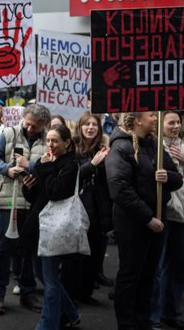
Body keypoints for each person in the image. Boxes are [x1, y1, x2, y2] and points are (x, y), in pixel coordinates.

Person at [106, 112, 182, 330]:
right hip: (132, 224)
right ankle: (127, 324)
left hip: (158, 220)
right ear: (138, 120)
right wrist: (147, 218)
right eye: (152, 115)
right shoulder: (121, 147)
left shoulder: (155, 145)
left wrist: (167, 177)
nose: (156, 118)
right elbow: (119, 188)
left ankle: (143, 320)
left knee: (149, 274)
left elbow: (177, 178)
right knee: (131, 275)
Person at [0, 104, 51, 315]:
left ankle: (27, 292)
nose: (31, 129)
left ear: (44, 126)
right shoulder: (9, 134)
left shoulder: (49, 138)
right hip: (8, 201)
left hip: (33, 203)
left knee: (29, 249)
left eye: (36, 127)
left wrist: (29, 166)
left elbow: (52, 166)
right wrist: (7, 169)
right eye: (29, 124)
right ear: (23, 118)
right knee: (4, 249)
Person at [25, 125, 81, 330]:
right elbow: (37, 196)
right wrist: (28, 186)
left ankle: (47, 325)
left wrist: (44, 169)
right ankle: (72, 313)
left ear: (67, 143)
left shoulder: (70, 165)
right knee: (41, 274)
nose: (50, 145)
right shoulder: (45, 162)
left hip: (55, 228)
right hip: (39, 225)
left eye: (55, 141)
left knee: (49, 281)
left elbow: (56, 192)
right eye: (48, 140)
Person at [61, 111, 112, 305]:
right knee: (75, 256)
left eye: (94, 124)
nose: (90, 127)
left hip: (99, 208)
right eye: (86, 124)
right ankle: (71, 295)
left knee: (95, 254)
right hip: (78, 209)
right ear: (80, 127)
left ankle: (85, 292)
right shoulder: (71, 149)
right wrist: (92, 164)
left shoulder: (105, 148)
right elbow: (71, 177)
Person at [150, 111, 184, 329]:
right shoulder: (155, 147)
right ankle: (154, 316)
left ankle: (171, 312)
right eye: (171, 122)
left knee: (178, 266)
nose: (176, 126)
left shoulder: (183, 146)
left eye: (179, 122)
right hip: (163, 211)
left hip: (181, 213)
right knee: (157, 267)